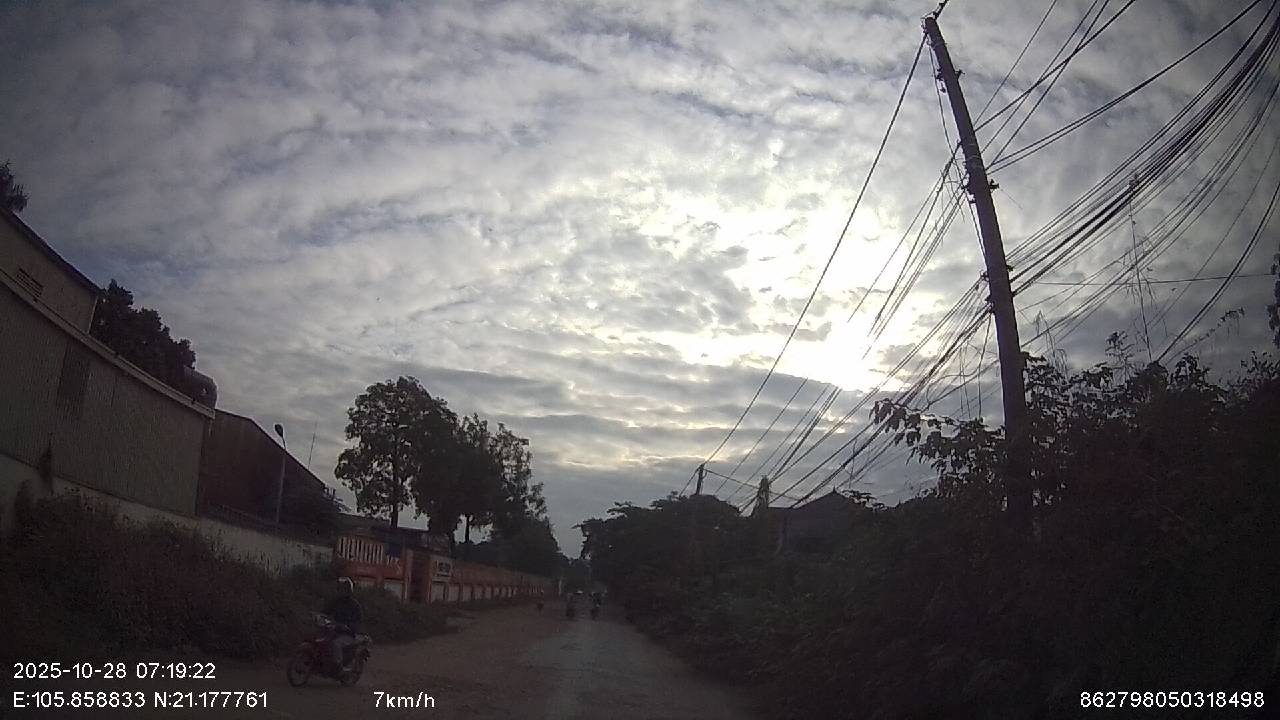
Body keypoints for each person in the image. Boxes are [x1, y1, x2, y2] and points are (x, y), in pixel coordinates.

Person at [322, 577, 363, 671]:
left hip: (348, 634)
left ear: (349, 590)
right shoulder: (336, 602)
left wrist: (348, 627)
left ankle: (338, 667)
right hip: (335, 631)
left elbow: (358, 621)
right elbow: (326, 611)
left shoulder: (355, 605)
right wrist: (318, 615)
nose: (342, 591)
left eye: (344, 589)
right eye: (340, 589)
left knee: (336, 644)